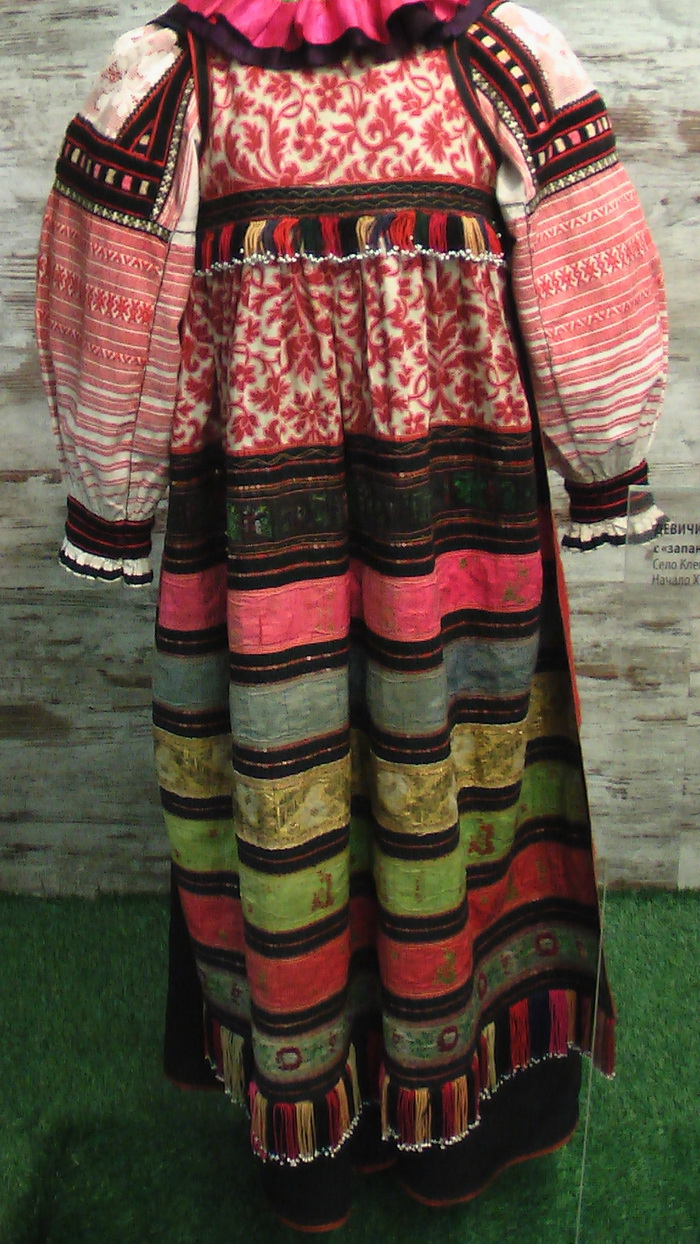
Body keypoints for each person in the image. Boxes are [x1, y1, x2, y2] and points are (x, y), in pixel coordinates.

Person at [36, 0, 667, 1230]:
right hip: (277, 567)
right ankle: (324, 1131)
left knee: (457, 793)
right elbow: (109, 298)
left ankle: (460, 1112)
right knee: (294, 803)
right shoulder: (176, 81)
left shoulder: (497, 64)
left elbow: (585, 268)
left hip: (454, 549)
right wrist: (110, 497)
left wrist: (603, 454)